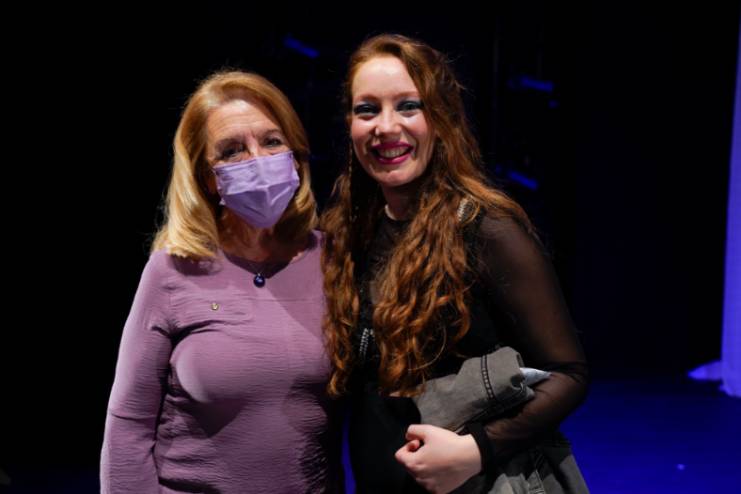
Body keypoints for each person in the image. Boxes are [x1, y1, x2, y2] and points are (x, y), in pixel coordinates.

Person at [320, 34, 589, 493]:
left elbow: (570, 374)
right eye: (367, 110)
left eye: (409, 106)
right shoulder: (349, 233)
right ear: (350, 125)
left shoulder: (487, 230)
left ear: (440, 117)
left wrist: (477, 449)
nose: (386, 126)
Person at [101, 71, 343, 493]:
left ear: (295, 156)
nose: (257, 160)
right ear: (208, 178)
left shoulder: (333, 261)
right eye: (232, 150)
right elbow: (128, 426)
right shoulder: (172, 270)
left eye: (271, 142)